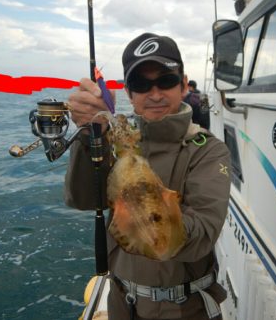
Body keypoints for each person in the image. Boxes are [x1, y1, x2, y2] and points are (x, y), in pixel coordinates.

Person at [64, 33, 231, 320]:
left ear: (182, 84)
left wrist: (137, 187)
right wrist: (90, 137)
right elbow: (82, 199)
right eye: (141, 84)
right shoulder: (115, 139)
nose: (154, 94)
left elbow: (201, 233)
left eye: (165, 81)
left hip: (184, 309)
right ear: (129, 93)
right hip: (122, 303)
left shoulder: (208, 151)